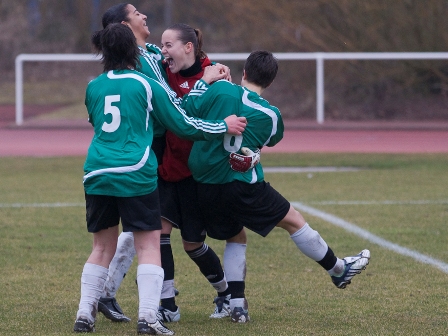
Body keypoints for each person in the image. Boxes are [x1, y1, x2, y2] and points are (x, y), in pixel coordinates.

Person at [73, 22, 246, 334]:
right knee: (150, 245)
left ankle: (85, 314)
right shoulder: (145, 83)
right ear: (133, 51)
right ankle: (149, 318)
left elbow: (95, 120)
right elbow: (183, 125)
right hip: (135, 171)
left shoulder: (93, 86)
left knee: (101, 248)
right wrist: (224, 125)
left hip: (96, 171)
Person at [183, 50, 371, 323]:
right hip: (242, 185)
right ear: (270, 82)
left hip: (205, 185)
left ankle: (237, 305)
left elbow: (188, 111)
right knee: (294, 221)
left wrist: (206, 82)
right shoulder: (271, 114)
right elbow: (270, 140)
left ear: (244, 72)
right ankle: (338, 269)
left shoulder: (220, 90)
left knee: (236, 236)